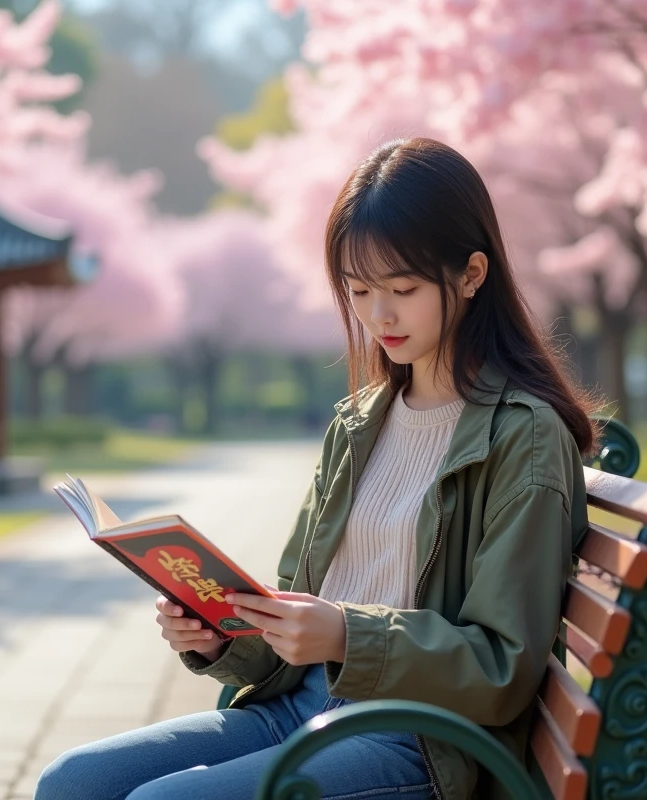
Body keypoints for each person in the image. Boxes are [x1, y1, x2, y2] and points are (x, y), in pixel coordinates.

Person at [33, 137, 597, 800]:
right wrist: (219, 639)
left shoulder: (523, 436)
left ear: (472, 274)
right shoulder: (358, 424)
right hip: (297, 708)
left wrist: (348, 636)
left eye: (403, 288)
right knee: (71, 783)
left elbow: (503, 664)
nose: (379, 314)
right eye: (358, 290)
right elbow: (291, 617)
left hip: (416, 738)